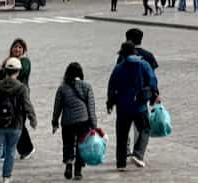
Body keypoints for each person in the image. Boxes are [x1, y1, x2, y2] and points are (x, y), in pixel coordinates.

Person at [0, 56, 36, 183]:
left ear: (5, 70)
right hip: (15, 125)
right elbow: (27, 105)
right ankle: (6, 178)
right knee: (11, 151)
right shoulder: (22, 88)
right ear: (18, 71)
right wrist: (32, 119)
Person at [107, 41, 158, 171]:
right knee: (145, 128)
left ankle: (121, 163)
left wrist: (110, 102)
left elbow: (112, 85)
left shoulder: (119, 67)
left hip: (123, 106)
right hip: (139, 106)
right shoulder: (144, 64)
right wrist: (154, 95)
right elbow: (152, 81)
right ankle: (138, 153)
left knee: (122, 134)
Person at [0, 38, 34, 159]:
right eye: (15, 46)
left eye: (20, 47)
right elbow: (3, 78)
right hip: (8, 98)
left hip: (21, 96)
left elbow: (18, 73)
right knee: (7, 122)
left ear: (24, 50)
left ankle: (27, 149)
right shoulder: (7, 61)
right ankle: (7, 152)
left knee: (19, 124)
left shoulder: (25, 62)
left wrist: (3, 70)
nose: (17, 49)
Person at [52, 62, 96, 180]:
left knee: (68, 144)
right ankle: (78, 171)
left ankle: (68, 164)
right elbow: (91, 107)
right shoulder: (87, 86)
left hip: (67, 121)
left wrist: (54, 122)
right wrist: (94, 125)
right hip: (83, 120)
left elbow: (57, 107)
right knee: (81, 145)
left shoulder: (62, 88)